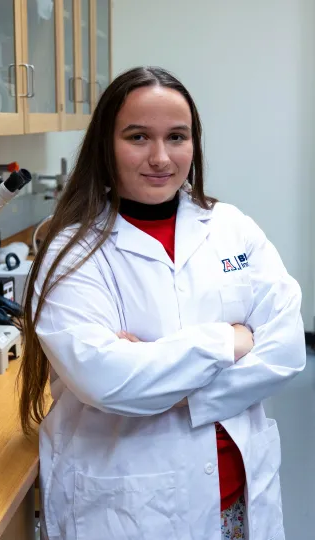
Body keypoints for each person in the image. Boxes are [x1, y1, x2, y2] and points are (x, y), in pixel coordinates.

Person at [19, 66, 306, 540]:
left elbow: (288, 349)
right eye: (137, 137)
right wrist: (227, 342)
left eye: (177, 136)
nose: (160, 157)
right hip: (127, 512)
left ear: (194, 144)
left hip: (238, 499)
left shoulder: (232, 227)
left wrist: (156, 376)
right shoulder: (73, 249)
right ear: (106, 146)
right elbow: (105, 379)